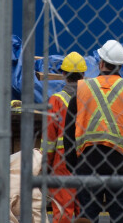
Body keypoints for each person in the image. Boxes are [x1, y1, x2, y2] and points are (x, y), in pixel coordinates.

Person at [63, 40, 123, 223]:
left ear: (100, 63)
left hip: (88, 163)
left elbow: (68, 131)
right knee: (119, 216)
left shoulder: (83, 89)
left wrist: (73, 165)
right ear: (120, 65)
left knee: (87, 215)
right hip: (120, 164)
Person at [41, 52, 86, 223]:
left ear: (63, 75)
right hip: (85, 158)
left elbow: (49, 139)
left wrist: (45, 164)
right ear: (84, 75)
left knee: (62, 210)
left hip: (62, 162)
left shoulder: (56, 100)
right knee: (84, 211)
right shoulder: (90, 99)